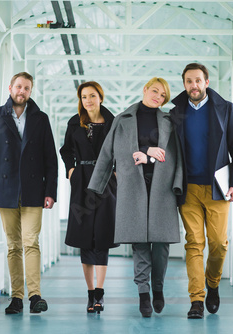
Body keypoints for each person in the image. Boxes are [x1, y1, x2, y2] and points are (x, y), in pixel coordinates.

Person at [88, 77, 183, 318]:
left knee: (161, 245)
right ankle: (143, 294)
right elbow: (110, 152)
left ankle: (158, 289)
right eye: (155, 91)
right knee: (140, 244)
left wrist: (178, 185)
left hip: (162, 188)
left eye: (163, 95)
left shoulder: (169, 121)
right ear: (145, 89)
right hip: (133, 186)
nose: (158, 97)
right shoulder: (123, 120)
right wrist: (96, 186)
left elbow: (176, 155)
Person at [0, 72, 58, 315]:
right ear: (10, 87)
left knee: (31, 242)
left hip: (34, 190)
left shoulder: (40, 119)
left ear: (31, 91)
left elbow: (50, 158)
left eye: (27, 88)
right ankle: (17, 297)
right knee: (13, 246)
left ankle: (35, 296)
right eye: (19, 87)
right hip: (4, 190)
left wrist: (50, 191)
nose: (22, 91)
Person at [170, 63, 233, 319]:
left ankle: (212, 283)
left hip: (218, 188)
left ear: (207, 82)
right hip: (188, 188)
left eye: (198, 81)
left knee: (219, 244)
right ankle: (196, 299)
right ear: (184, 84)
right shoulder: (174, 113)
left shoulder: (225, 109)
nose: (194, 85)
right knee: (194, 244)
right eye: (189, 81)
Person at [59, 81, 117, 314]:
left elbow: (121, 149)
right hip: (81, 180)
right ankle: (90, 294)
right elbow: (66, 150)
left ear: (100, 97)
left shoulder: (113, 123)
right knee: (85, 237)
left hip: (106, 182)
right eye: (84, 97)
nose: (88, 100)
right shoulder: (75, 122)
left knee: (102, 235)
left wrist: (116, 171)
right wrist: (71, 170)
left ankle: (100, 295)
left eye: (92, 96)